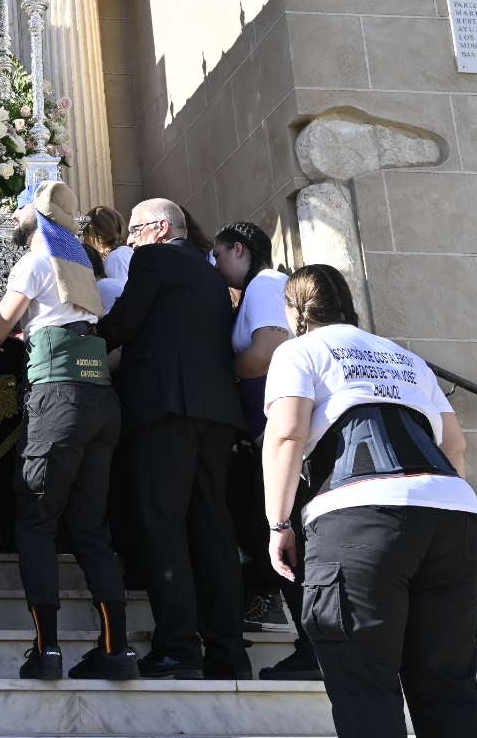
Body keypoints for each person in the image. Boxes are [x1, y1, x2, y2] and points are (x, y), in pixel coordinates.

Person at [263, 264, 477, 738]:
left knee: (364, 684)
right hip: (453, 515)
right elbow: (455, 446)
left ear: (294, 310)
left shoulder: (299, 351)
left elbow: (287, 434)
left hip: (357, 518)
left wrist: (278, 524)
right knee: (449, 685)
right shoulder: (406, 358)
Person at [0, 182, 137, 681]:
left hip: (58, 399)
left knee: (36, 519)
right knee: (91, 527)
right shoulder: (83, 265)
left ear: (32, 217)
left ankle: (47, 649)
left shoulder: (34, 260)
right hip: (101, 401)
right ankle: (116, 649)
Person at [98, 198, 250, 680]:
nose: (129, 240)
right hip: (215, 414)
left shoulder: (154, 257)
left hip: (165, 411)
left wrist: (77, 332)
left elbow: (123, 323)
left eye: (136, 230)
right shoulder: (210, 273)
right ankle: (228, 652)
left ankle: (177, 648)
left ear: (160, 229)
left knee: (162, 527)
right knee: (213, 530)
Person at [212, 222, 316, 679]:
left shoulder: (266, 283)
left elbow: (267, 351)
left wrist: (219, 373)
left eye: (220, 256)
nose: (217, 266)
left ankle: (314, 645)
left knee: (290, 538)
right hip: (264, 433)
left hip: (277, 433)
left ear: (240, 250)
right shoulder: (257, 290)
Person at [80, 205, 132, 282]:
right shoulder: (126, 252)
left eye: (84, 234)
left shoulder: (115, 259)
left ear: (92, 234)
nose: (83, 240)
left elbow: (118, 292)